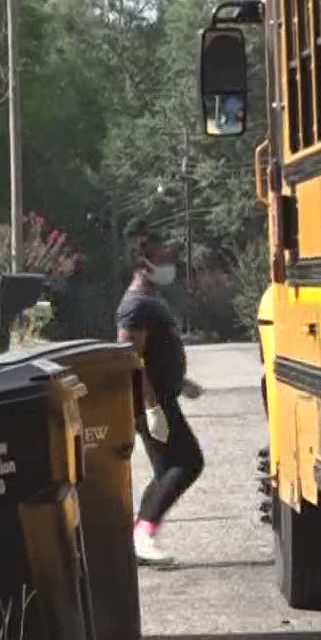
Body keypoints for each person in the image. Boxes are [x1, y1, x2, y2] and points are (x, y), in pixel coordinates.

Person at [117, 220, 204, 566]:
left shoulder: (149, 300)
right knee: (187, 463)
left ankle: (139, 534)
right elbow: (132, 359)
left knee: (169, 466)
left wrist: (180, 381)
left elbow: (155, 354)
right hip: (150, 403)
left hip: (162, 397)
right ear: (143, 265)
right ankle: (143, 535)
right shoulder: (135, 305)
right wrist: (152, 409)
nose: (168, 262)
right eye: (161, 256)